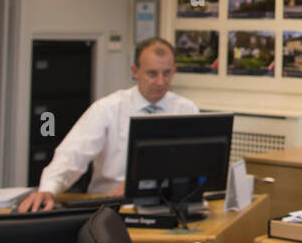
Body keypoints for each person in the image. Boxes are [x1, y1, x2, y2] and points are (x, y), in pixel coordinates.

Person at [17, 37, 198, 212]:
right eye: (152, 73)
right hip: (110, 206)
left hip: (168, 204)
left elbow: (195, 165)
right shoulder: (107, 109)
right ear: (135, 72)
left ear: (174, 70)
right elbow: (73, 153)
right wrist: (48, 189)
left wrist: (144, 185)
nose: (161, 81)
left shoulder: (186, 109)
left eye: (167, 73)